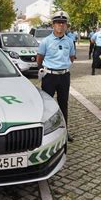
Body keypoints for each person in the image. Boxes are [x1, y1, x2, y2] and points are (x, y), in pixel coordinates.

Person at [37, 11, 76, 142]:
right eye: (58, 23)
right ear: (53, 25)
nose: (60, 25)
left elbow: (71, 57)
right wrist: (44, 69)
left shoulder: (70, 41)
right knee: (46, 105)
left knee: (63, 104)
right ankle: (45, 132)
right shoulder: (46, 41)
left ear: (66, 26)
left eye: (63, 23)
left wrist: (63, 66)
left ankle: (65, 131)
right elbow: (39, 58)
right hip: (49, 76)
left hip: (64, 76)